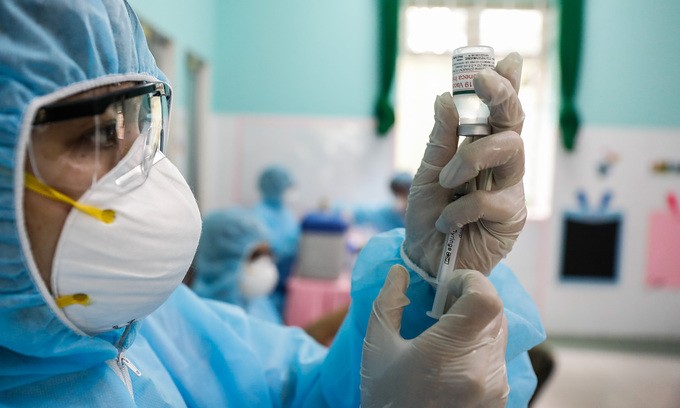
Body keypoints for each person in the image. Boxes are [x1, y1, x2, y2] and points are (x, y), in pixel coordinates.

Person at [0, 1, 545, 407]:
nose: (141, 170)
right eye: (95, 136)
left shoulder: (144, 325)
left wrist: (428, 280)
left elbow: (297, 390)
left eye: (139, 126)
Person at [191, 208, 282, 324]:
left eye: (267, 254)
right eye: (256, 255)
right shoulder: (200, 319)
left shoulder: (258, 303)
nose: (264, 264)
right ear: (222, 259)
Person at [252, 165, 301, 311]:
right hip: (270, 282)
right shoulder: (259, 213)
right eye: (287, 186)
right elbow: (265, 247)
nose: (290, 191)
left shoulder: (286, 212)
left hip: (287, 277)